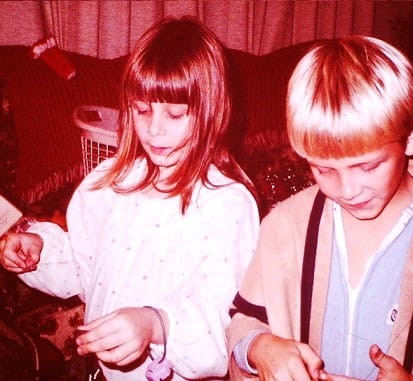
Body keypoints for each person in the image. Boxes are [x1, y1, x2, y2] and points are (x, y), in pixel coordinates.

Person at [226, 36, 413, 381]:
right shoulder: (285, 227)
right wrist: (260, 348)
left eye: (367, 167)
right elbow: (243, 321)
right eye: (324, 169)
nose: (347, 190)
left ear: (412, 136)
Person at [0, 16, 259, 380]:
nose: (154, 129)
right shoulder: (108, 183)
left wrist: (155, 324)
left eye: (174, 114)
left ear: (212, 113)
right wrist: (39, 251)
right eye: (142, 110)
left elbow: (225, 328)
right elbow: (82, 267)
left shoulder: (227, 206)